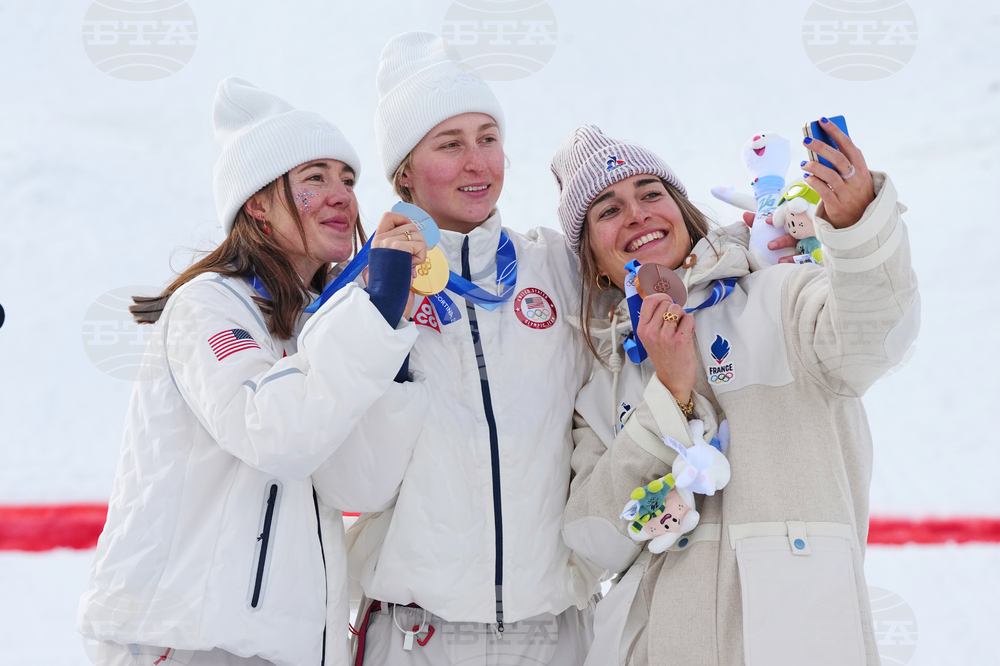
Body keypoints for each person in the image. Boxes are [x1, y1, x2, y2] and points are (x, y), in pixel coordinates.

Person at [77, 77, 428, 666]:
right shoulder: (208, 305)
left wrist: (390, 345)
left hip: (289, 648)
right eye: (314, 177)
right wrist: (369, 322)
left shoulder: (322, 323)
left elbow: (360, 486)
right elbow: (277, 435)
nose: (342, 194)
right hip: (190, 639)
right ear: (257, 204)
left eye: (347, 179)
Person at [555, 122, 919, 665]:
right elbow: (594, 540)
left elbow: (878, 340)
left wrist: (855, 225)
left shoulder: (781, 299)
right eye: (607, 210)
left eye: (651, 193)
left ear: (684, 212)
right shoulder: (601, 389)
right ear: (590, 258)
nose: (636, 213)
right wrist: (670, 397)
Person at [346, 32, 600, 665]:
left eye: (488, 138)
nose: (477, 162)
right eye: (450, 143)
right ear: (403, 171)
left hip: (553, 631)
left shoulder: (555, 267)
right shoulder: (363, 291)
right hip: (420, 636)